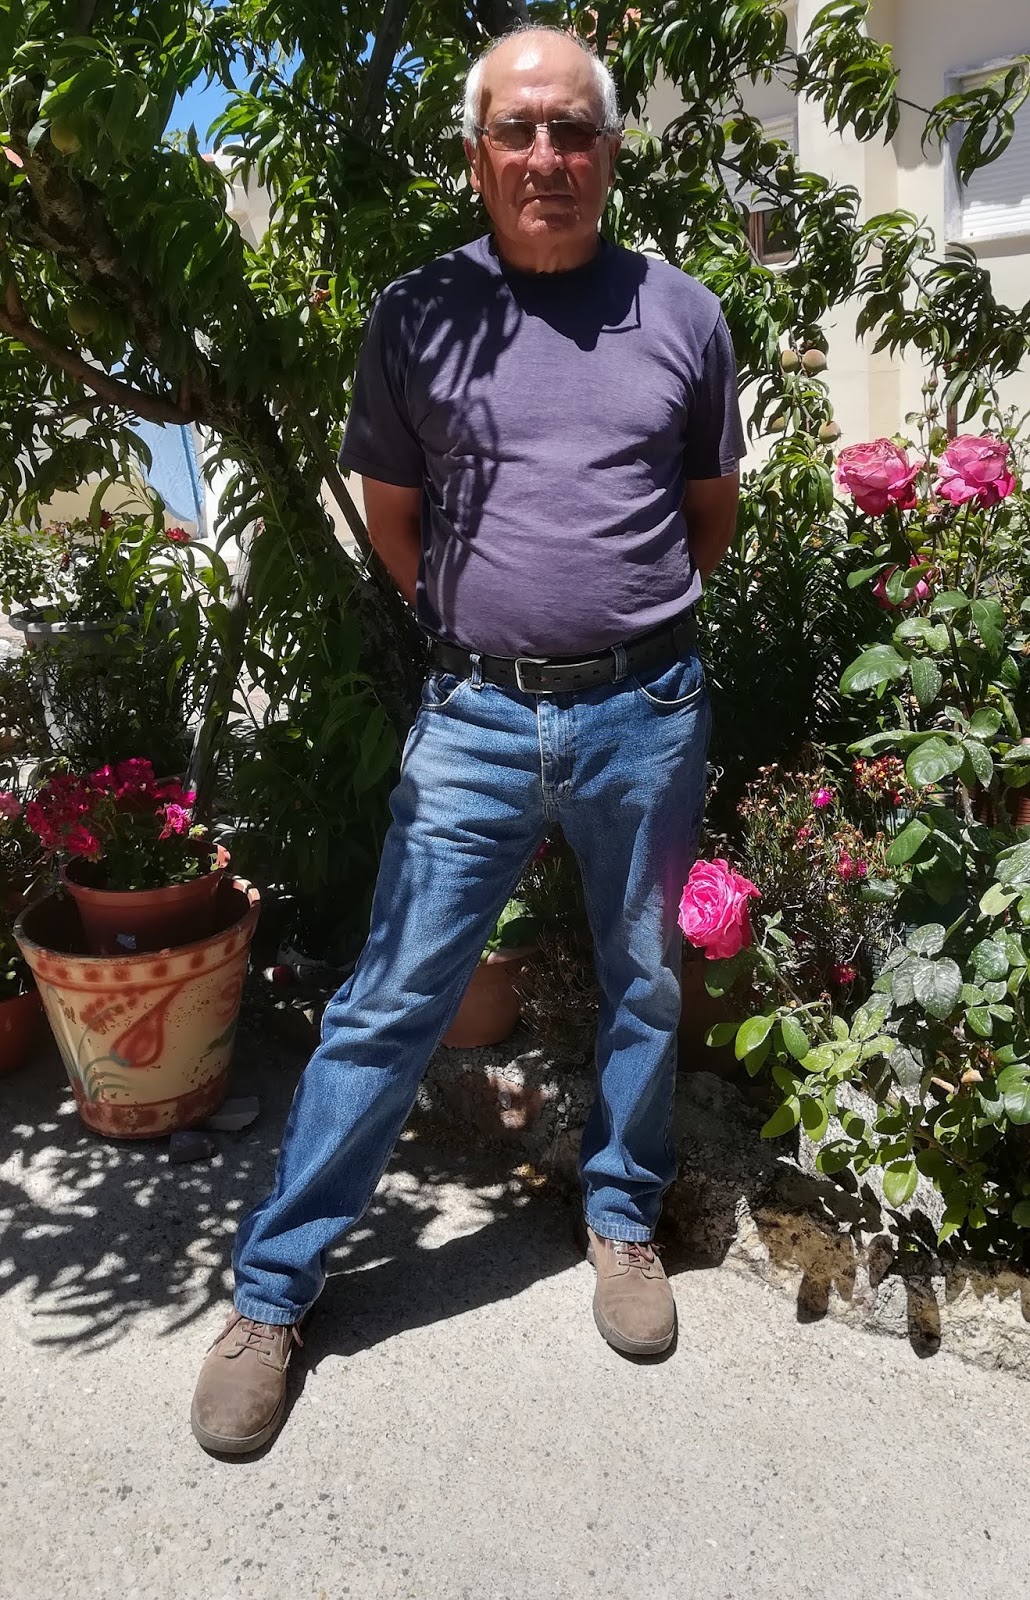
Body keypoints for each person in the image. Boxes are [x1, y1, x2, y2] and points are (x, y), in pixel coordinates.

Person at [190, 23, 745, 1456]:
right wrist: (492, 629)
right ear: (477, 152)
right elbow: (395, 519)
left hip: (643, 712)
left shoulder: (683, 314)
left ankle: (621, 1218)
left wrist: (609, 630)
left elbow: (705, 518)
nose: (547, 156)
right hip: (477, 717)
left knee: (640, 981)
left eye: (573, 130)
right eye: (518, 129)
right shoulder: (416, 316)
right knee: (390, 1000)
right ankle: (272, 1294)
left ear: (610, 149)